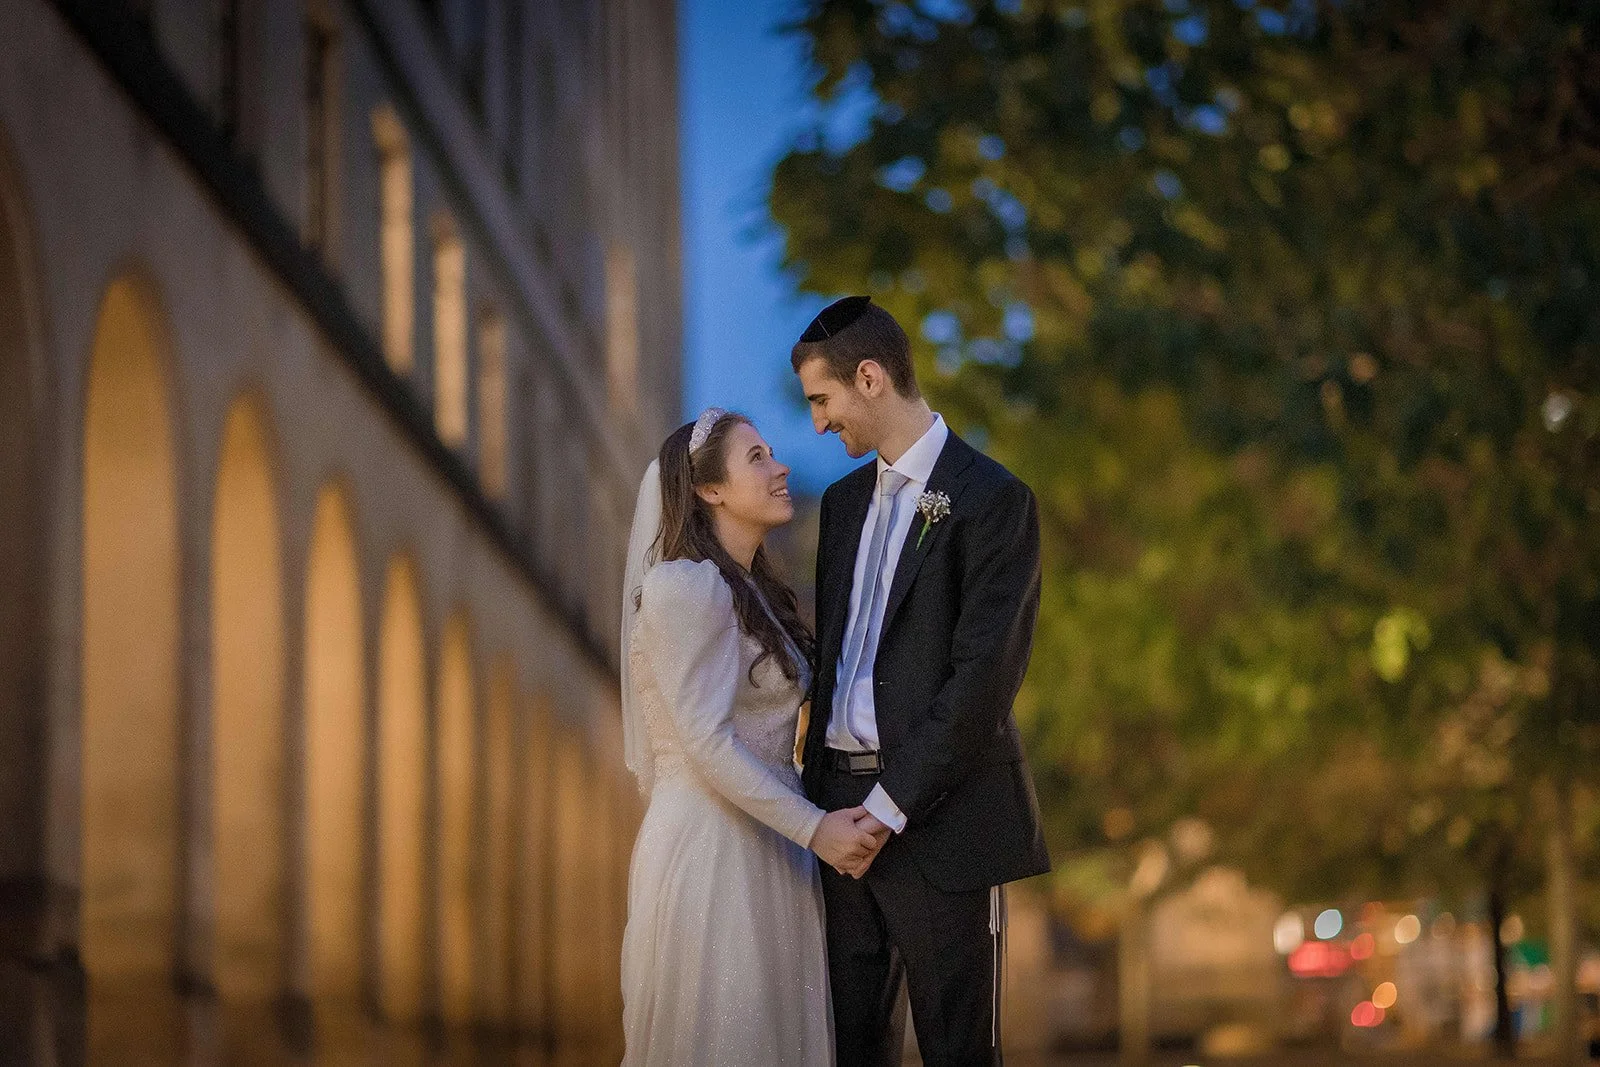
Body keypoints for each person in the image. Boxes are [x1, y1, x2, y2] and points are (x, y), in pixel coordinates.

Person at [793, 296, 1052, 1066]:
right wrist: (829, 812)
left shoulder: (994, 501)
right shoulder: (840, 506)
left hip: (939, 822)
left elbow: (982, 683)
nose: (816, 424)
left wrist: (885, 809)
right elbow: (838, 660)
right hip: (838, 822)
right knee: (853, 1049)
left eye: (821, 400)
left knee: (958, 1050)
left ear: (869, 377)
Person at [619, 408, 887, 1066]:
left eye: (773, 452)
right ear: (710, 490)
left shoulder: (754, 592)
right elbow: (706, 744)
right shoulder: (684, 586)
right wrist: (816, 829)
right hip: (712, 847)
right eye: (758, 457)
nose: (781, 466)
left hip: (768, 840)